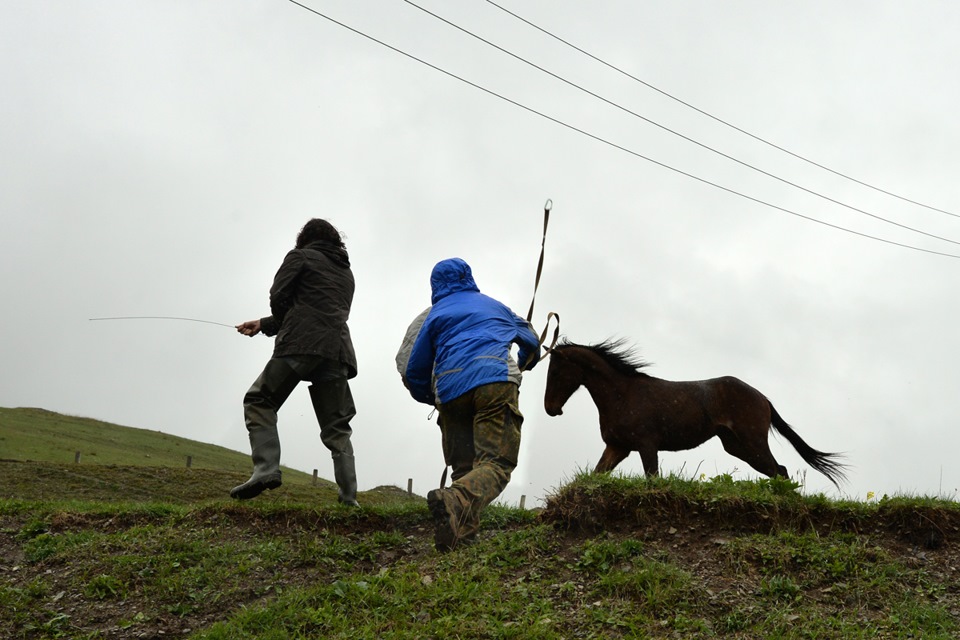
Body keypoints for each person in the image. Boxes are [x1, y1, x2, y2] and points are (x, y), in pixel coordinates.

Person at [404, 257, 541, 551]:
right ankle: (455, 499)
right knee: (496, 463)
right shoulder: (495, 306)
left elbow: (414, 370)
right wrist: (523, 363)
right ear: (468, 277)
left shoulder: (434, 316)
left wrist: (432, 397)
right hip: (494, 382)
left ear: (435, 286)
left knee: (464, 468)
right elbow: (531, 340)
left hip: (450, 392)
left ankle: (459, 537)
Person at [231, 218, 360, 506]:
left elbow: (279, 296)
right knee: (337, 428)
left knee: (259, 400)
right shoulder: (346, 272)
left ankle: (266, 469)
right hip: (337, 351)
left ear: (305, 238)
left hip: (300, 344)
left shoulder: (299, 256)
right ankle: (349, 497)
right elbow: (317, 306)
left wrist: (278, 321)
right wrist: (264, 324)